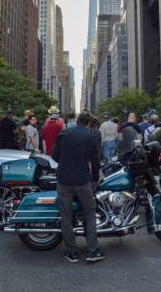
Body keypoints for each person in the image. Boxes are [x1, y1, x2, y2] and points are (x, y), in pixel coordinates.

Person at [52, 113, 104, 263]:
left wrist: (66, 160)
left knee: (66, 216)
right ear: (88, 123)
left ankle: (72, 252)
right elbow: (95, 161)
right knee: (90, 213)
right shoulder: (90, 137)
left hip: (64, 180)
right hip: (83, 181)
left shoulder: (64, 133)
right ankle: (92, 251)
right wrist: (95, 178)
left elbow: (54, 156)